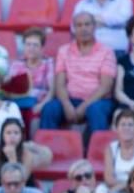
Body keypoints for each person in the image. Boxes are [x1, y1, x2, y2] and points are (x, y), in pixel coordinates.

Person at [38, 12, 116, 142]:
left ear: (94, 27)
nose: (83, 29)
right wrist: (67, 104)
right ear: (74, 29)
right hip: (71, 99)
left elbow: (105, 87)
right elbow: (60, 83)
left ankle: (97, 154)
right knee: (50, 108)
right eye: (79, 25)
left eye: (87, 24)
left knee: (96, 110)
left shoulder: (106, 51)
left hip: (98, 100)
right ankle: (46, 151)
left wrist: (83, 107)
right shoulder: (64, 50)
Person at [0, 118, 51, 190]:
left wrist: (12, 159)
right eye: (8, 133)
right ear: (2, 136)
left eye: (16, 133)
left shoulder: (27, 155)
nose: (12, 136)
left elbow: (17, 185)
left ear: (21, 136)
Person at [103, 109, 134, 193]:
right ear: (117, 129)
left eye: (130, 125)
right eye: (123, 125)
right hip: (115, 189)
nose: (126, 128)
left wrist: (121, 187)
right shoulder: (111, 148)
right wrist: (122, 185)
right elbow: (108, 179)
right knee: (100, 190)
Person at [7, 27, 54, 115]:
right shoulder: (16, 64)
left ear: (42, 48)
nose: (31, 48)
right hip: (19, 101)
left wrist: (41, 105)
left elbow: (52, 92)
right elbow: (10, 90)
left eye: (35, 45)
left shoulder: (48, 64)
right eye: (28, 44)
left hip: (39, 102)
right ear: (24, 46)